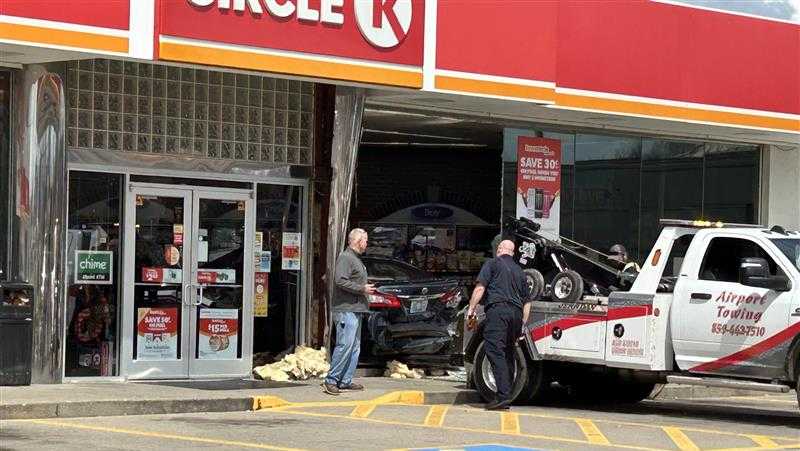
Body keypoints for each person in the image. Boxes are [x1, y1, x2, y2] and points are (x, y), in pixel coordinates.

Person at [467, 240, 532, 410]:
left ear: (500, 250)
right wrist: (523, 323)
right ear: (513, 252)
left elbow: (480, 288)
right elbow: (527, 302)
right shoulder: (520, 271)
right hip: (516, 315)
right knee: (508, 352)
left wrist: (471, 309)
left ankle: (502, 396)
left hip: (499, 312)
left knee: (495, 350)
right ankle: (506, 394)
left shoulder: (492, 264)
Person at [322, 228, 376, 396]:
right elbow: (339, 281)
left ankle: (345, 380)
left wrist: (364, 288)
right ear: (357, 241)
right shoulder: (346, 258)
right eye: (365, 240)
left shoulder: (355, 259)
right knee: (345, 345)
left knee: (354, 347)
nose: (367, 244)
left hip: (355, 309)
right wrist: (362, 288)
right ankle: (331, 380)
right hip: (346, 309)